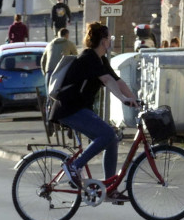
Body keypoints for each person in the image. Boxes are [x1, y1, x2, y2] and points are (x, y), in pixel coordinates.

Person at [51, 22, 139, 200]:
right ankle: (75, 166)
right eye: (109, 38)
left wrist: (135, 100)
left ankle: (109, 189)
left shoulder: (100, 59)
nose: (111, 42)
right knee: (107, 134)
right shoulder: (89, 57)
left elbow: (118, 81)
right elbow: (107, 81)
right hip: (69, 109)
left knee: (111, 139)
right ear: (103, 41)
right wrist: (123, 100)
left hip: (79, 108)